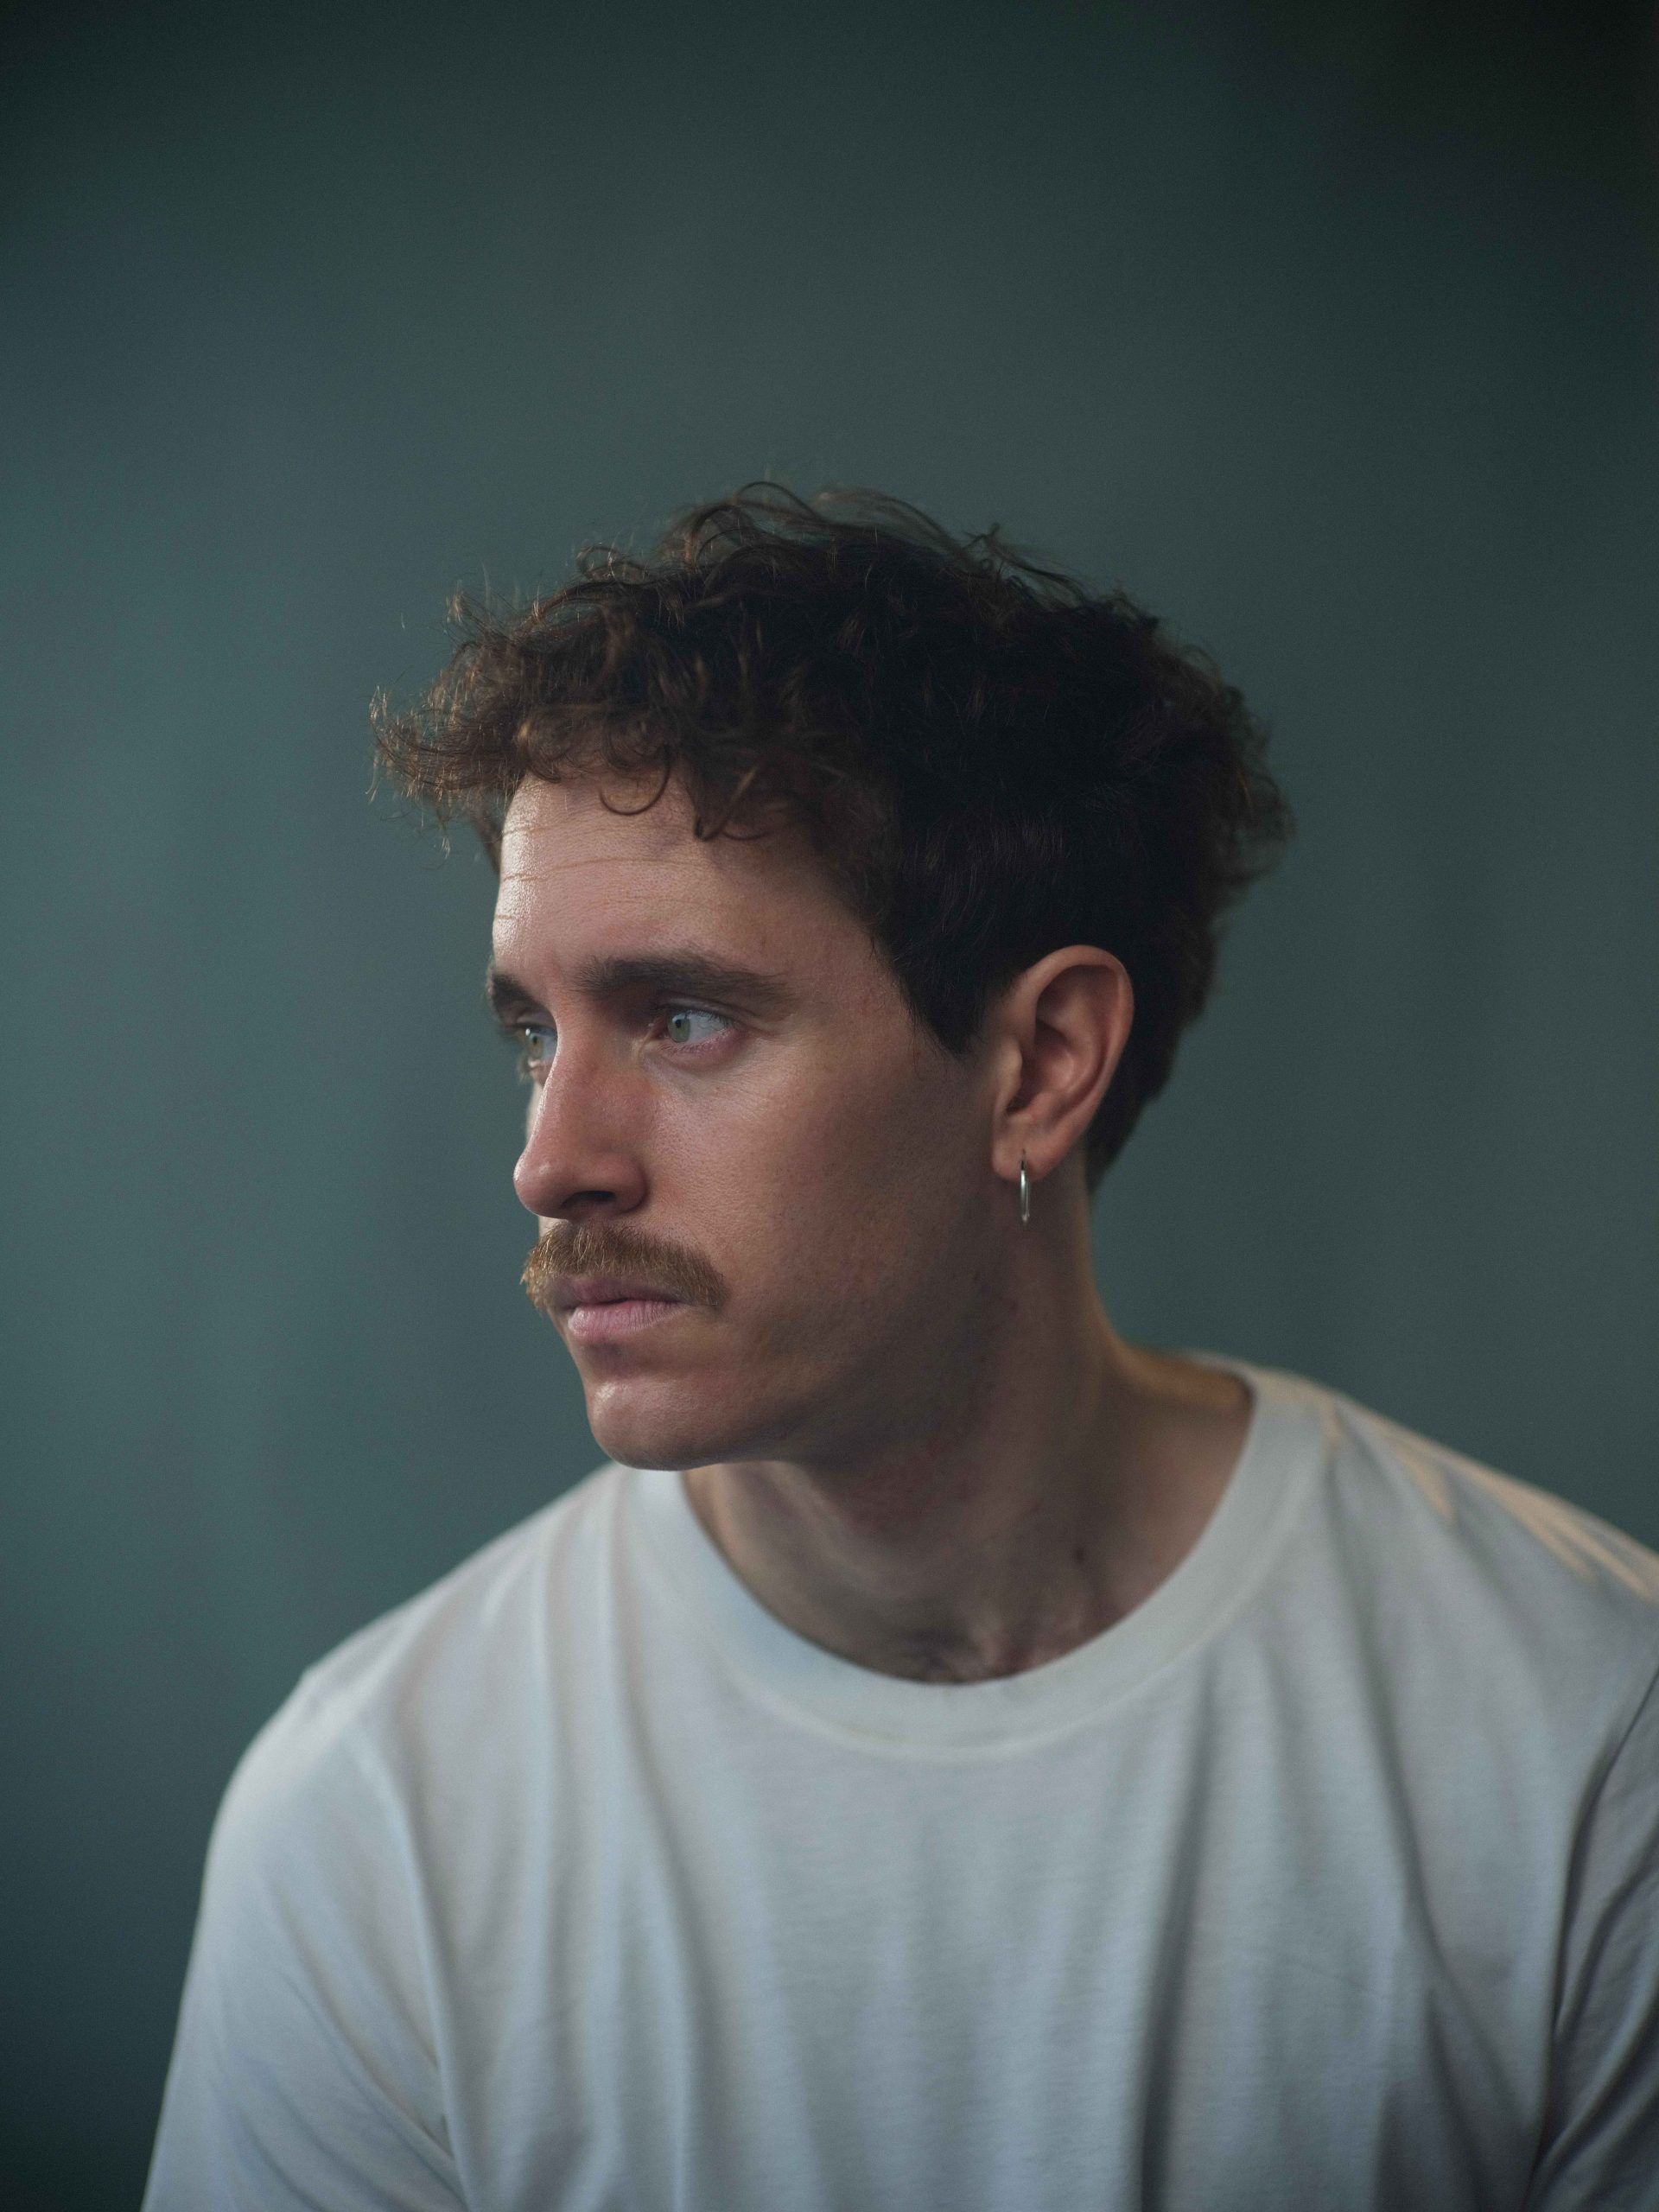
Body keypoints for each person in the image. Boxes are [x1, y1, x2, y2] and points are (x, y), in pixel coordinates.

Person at [144, 486, 1659, 2210]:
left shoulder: (1583, 1738)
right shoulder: (379, 1825)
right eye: (534, 1033)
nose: (551, 1161)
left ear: (1042, 1065)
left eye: (684, 1016)